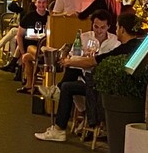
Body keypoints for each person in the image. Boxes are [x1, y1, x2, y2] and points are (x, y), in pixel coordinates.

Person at [33, 10, 120, 142]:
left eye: (102, 27)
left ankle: (57, 97)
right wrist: (82, 58)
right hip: (84, 77)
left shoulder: (114, 42)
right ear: (92, 25)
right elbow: (72, 56)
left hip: (99, 83)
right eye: (96, 26)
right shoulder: (85, 37)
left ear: (108, 26)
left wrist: (85, 61)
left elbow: (105, 64)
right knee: (72, 68)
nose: (98, 31)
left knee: (67, 85)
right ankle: (59, 126)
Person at [14, 0, 49, 94]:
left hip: (45, 47)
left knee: (26, 56)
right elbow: (19, 35)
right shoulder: (29, 16)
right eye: (39, 2)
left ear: (47, 3)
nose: (41, 5)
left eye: (44, 2)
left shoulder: (50, 17)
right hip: (33, 47)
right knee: (27, 52)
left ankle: (29, 85)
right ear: (35, 3)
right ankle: (30, 84)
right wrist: (22, 52)